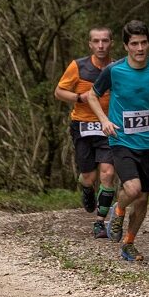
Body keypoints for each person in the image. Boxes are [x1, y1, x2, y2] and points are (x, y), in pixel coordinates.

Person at [86, 20, 149, 262]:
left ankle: (128, 243)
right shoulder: (114, 70)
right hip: (121, 140)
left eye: (144, 43)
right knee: (133, 189)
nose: (140, 48)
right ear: (126, 46)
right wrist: (104, 120)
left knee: (143, 199)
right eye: (135, 44)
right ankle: (117, 211)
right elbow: (92, 96)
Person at [54, 26, 117, 238]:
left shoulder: (118, 68)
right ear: (90, 44)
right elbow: (59, 91)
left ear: (111, 43)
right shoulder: (78, 66)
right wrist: (79, 98)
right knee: (89, 177)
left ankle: (100, 221)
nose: (101, 45)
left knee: (108, 173)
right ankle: (87, 188)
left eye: (105, 41)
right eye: (96, 41)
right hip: (82, 125)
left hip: (109, 126)